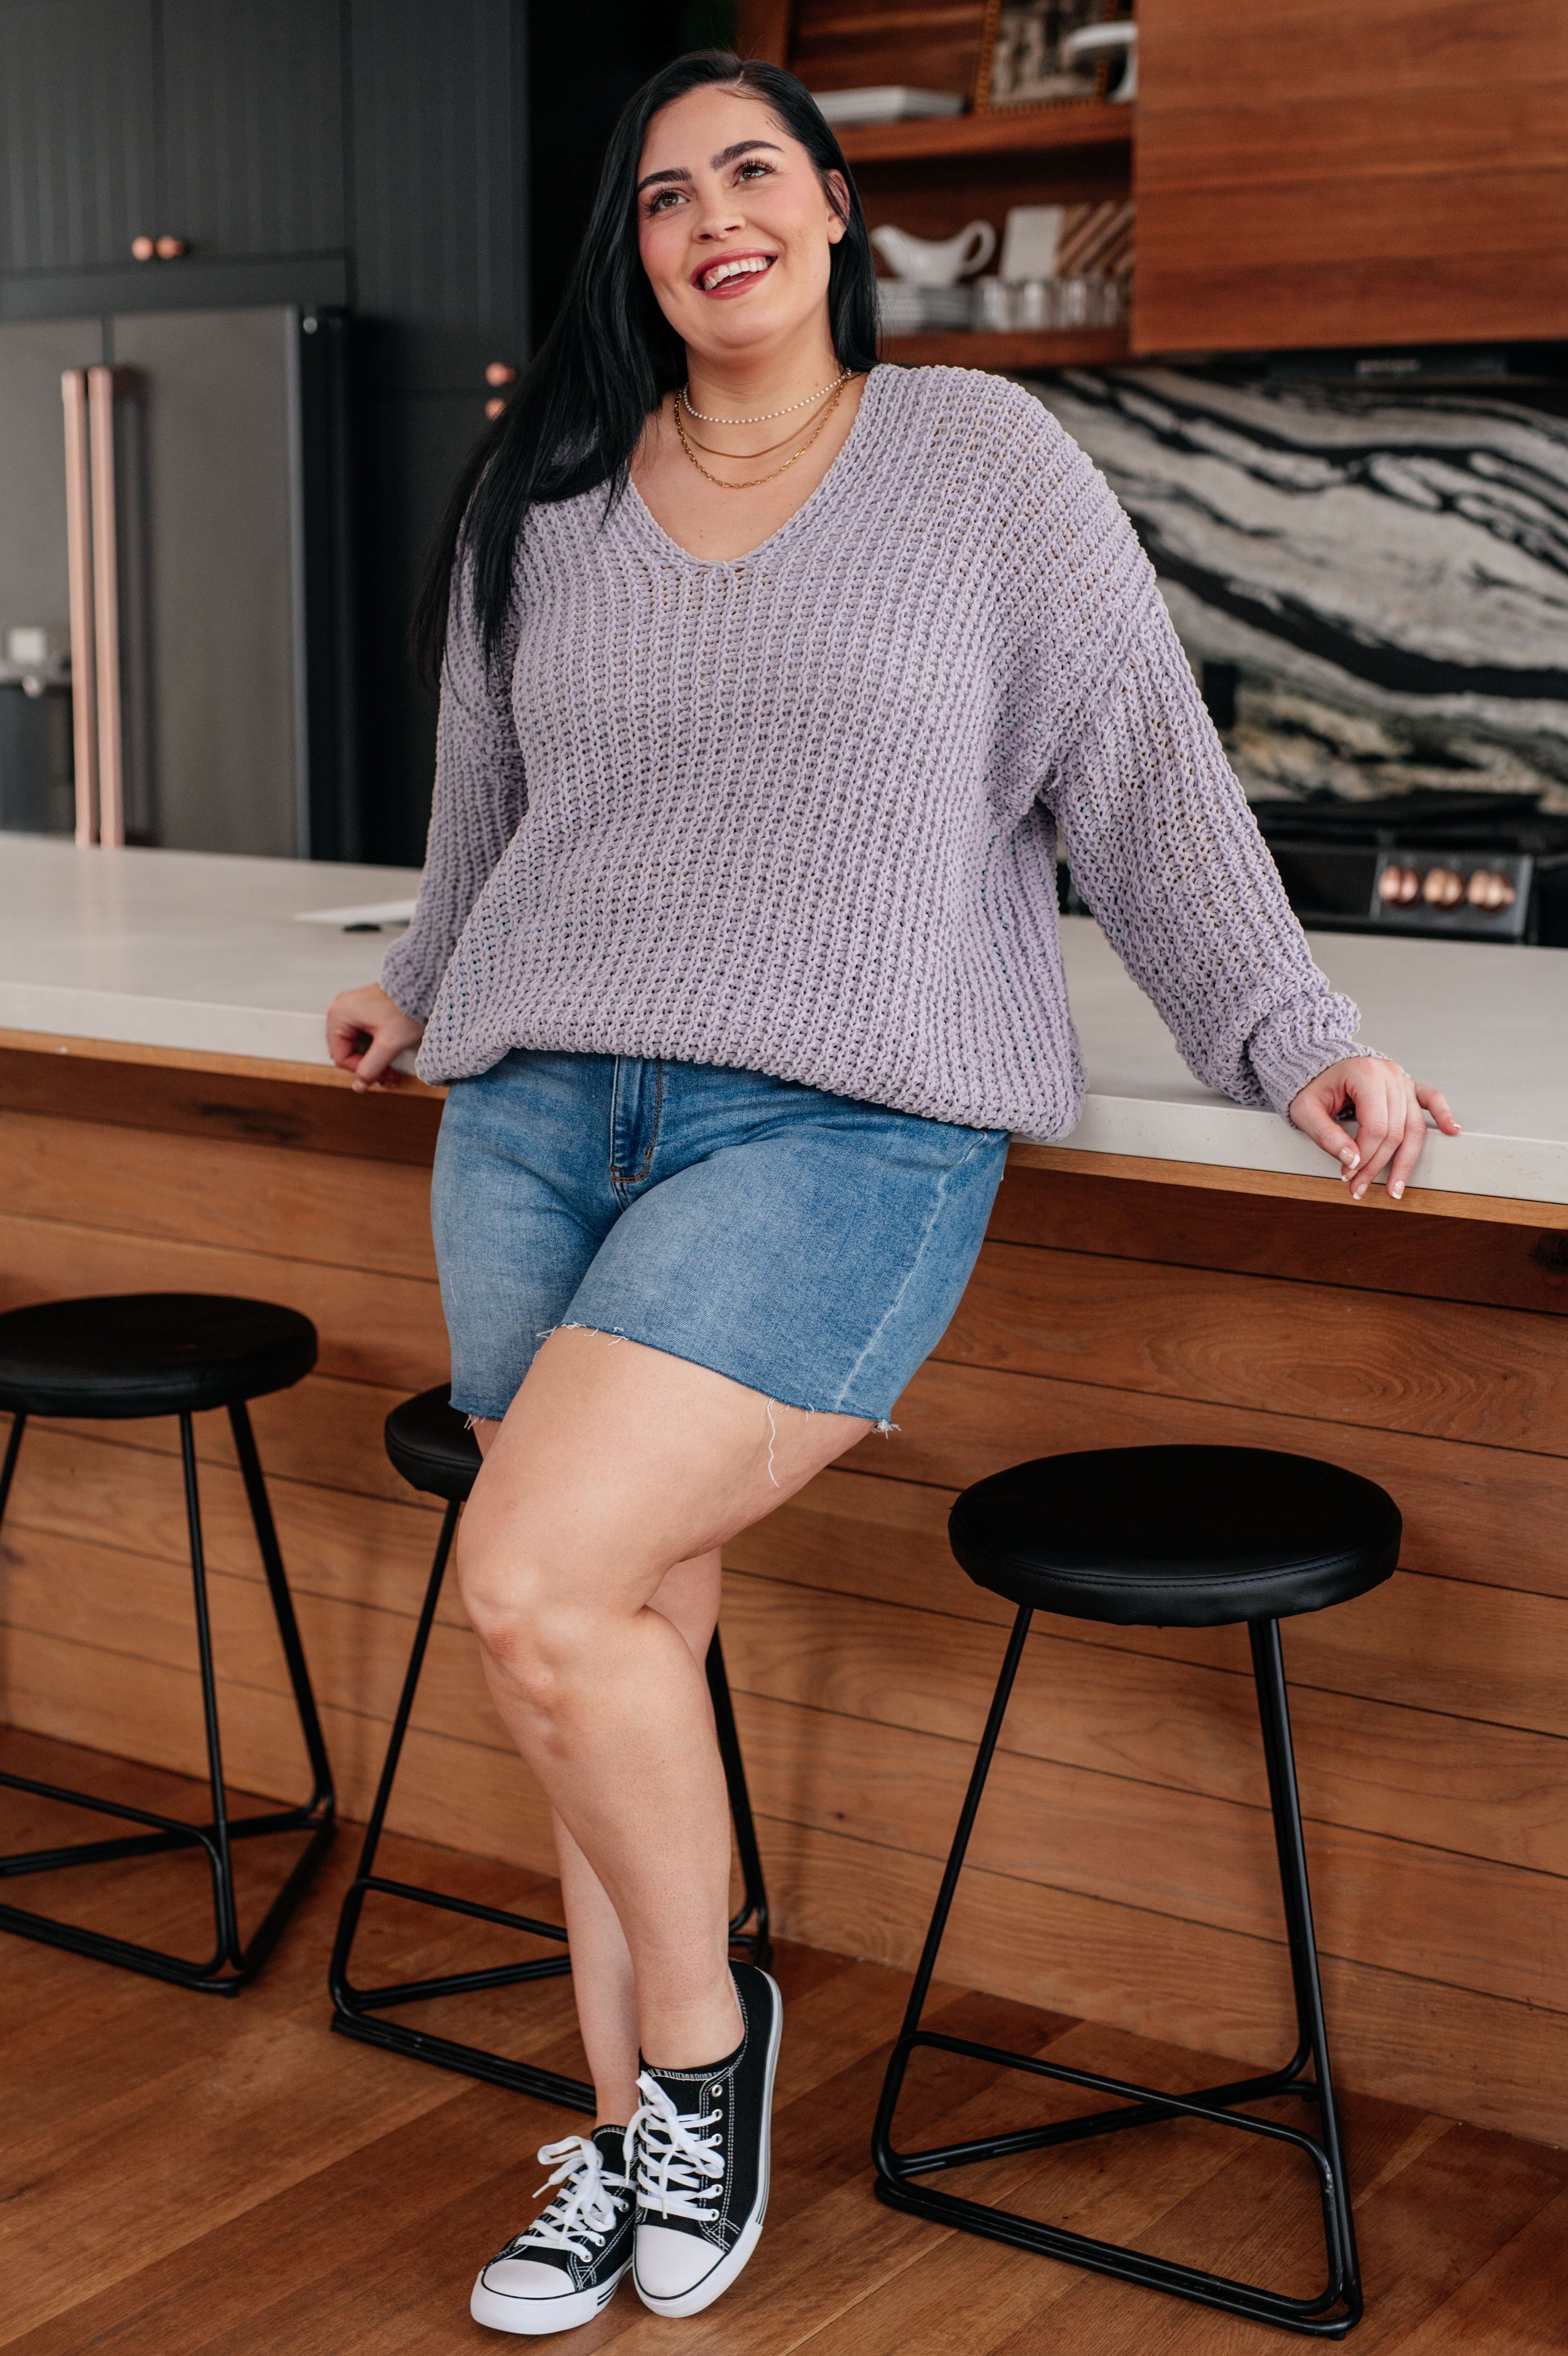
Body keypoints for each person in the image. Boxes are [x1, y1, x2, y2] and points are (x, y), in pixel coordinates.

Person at [326, 47, 1458, 2339]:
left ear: (840, 210)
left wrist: (1292, 1030)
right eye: (663, 197)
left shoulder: (974, 459)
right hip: (541, 1106)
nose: (710, 219)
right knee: (615, 1642)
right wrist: (426, 987)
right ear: (633, 253)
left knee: (536, 1584)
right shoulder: (548, 485)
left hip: (837, 1127)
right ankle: (628, 2124)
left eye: (754, 172)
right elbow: (488, 795)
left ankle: (706, 2061)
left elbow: (1139, 768)